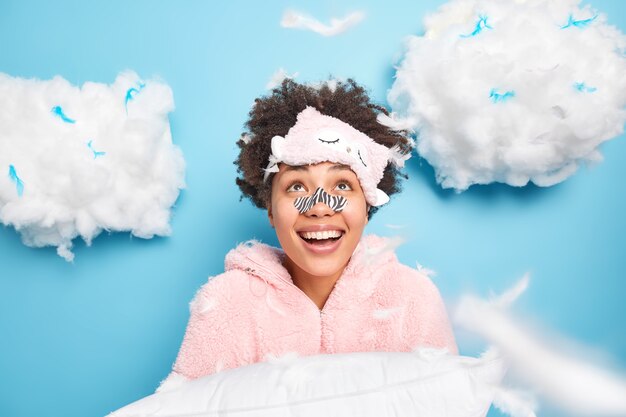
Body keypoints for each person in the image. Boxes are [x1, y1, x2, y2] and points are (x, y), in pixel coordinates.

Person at [158, 79, 457, 391]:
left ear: (367, 206)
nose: (319, 207)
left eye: (342, 185)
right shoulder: (225, 303)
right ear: (270, 210)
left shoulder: (413, 298)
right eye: (296, 186)